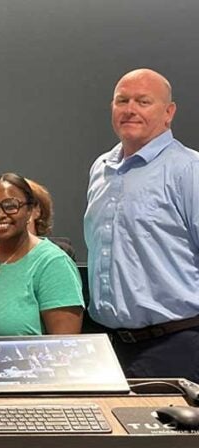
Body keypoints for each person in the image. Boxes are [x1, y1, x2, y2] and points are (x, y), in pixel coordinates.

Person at [86, 68, 199, 381]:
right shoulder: (101, 169)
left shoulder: (189, 171)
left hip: (177, 346)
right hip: (108, 349)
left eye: (143, 101)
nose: (130, 109)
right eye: (122, 100)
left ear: (168, 112)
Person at [0, 172, 83, 346]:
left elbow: (65, 348)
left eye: (11, 206)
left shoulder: (53, 263)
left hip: (31, 372)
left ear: (31, 210)